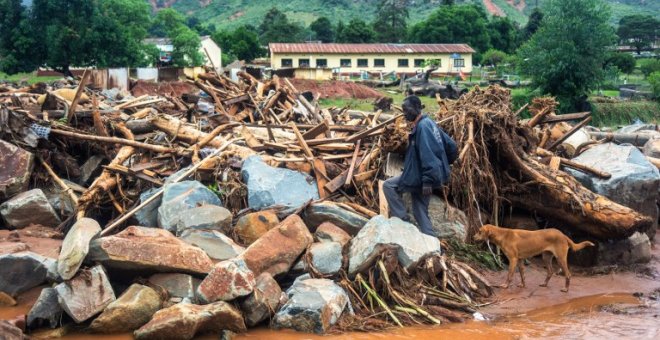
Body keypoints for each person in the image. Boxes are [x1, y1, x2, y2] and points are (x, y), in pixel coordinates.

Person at [383, 95, 457, 236]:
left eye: (407, 109)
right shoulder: (429, 123)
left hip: (421, 178)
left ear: (417, 108)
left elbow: (428, 155)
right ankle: (433, 244)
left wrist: (428, 181)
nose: (404, 113)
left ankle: (403, 222)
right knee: (420, 211)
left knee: (388, 186)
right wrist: (444, 166)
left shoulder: (423, 127)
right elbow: (451, 147)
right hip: (423, 176)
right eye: (403, 110)